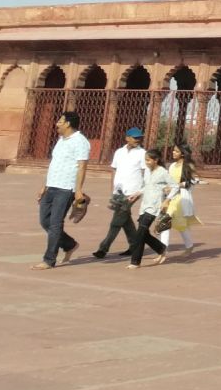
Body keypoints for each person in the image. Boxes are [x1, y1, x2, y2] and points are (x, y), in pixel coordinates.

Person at [34, 111, 91, 271]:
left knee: (55, 223)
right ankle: (69, 244)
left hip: (66, 188)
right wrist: (44, 185)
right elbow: (55, 164)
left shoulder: (81, 142)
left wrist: (78, 190)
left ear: (68, 123)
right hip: (52, 186)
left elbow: (82, 166)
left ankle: (49, 259)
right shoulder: (60, 140)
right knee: (45, 221)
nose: (57, 123)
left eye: (60, 121)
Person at [92, 127, 146, 259]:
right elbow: (114, 170)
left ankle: (103, 248)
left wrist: (141, 192)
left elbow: (145, 173)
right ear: (127, 138)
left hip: (133, 192)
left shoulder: (143, 153)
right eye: (135, 137)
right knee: (125, 219)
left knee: (116, 221)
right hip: (119, 190)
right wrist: (113, 189)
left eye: (139, 138)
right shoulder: (119, 152)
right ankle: (135, 246)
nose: (138, 140)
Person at [127, 147, 170, 269]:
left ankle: (135, 262)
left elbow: (174, 187)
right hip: (145, 205)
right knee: (143, 233)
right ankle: (161, 248)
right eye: (145, 160)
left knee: (140, 233)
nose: (146, 162)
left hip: (155, 206)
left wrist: (166, 200)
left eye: (149, 160)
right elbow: (146, 186)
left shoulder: (163, 172)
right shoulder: (148, 171)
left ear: (156, 160)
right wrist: (137, 193)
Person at [160, 143, 201, 255]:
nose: (173, 153)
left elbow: (193, 181)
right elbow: (168, 180)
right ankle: (189, 246)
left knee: (165, 221)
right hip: (170, 196)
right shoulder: (172, 166)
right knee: (180, 224)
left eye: (176, 151)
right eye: (173, 150)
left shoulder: (188, 166)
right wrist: (166, 187)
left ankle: (162, 250)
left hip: (181, 197)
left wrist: (179, 185)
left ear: (183, 153)